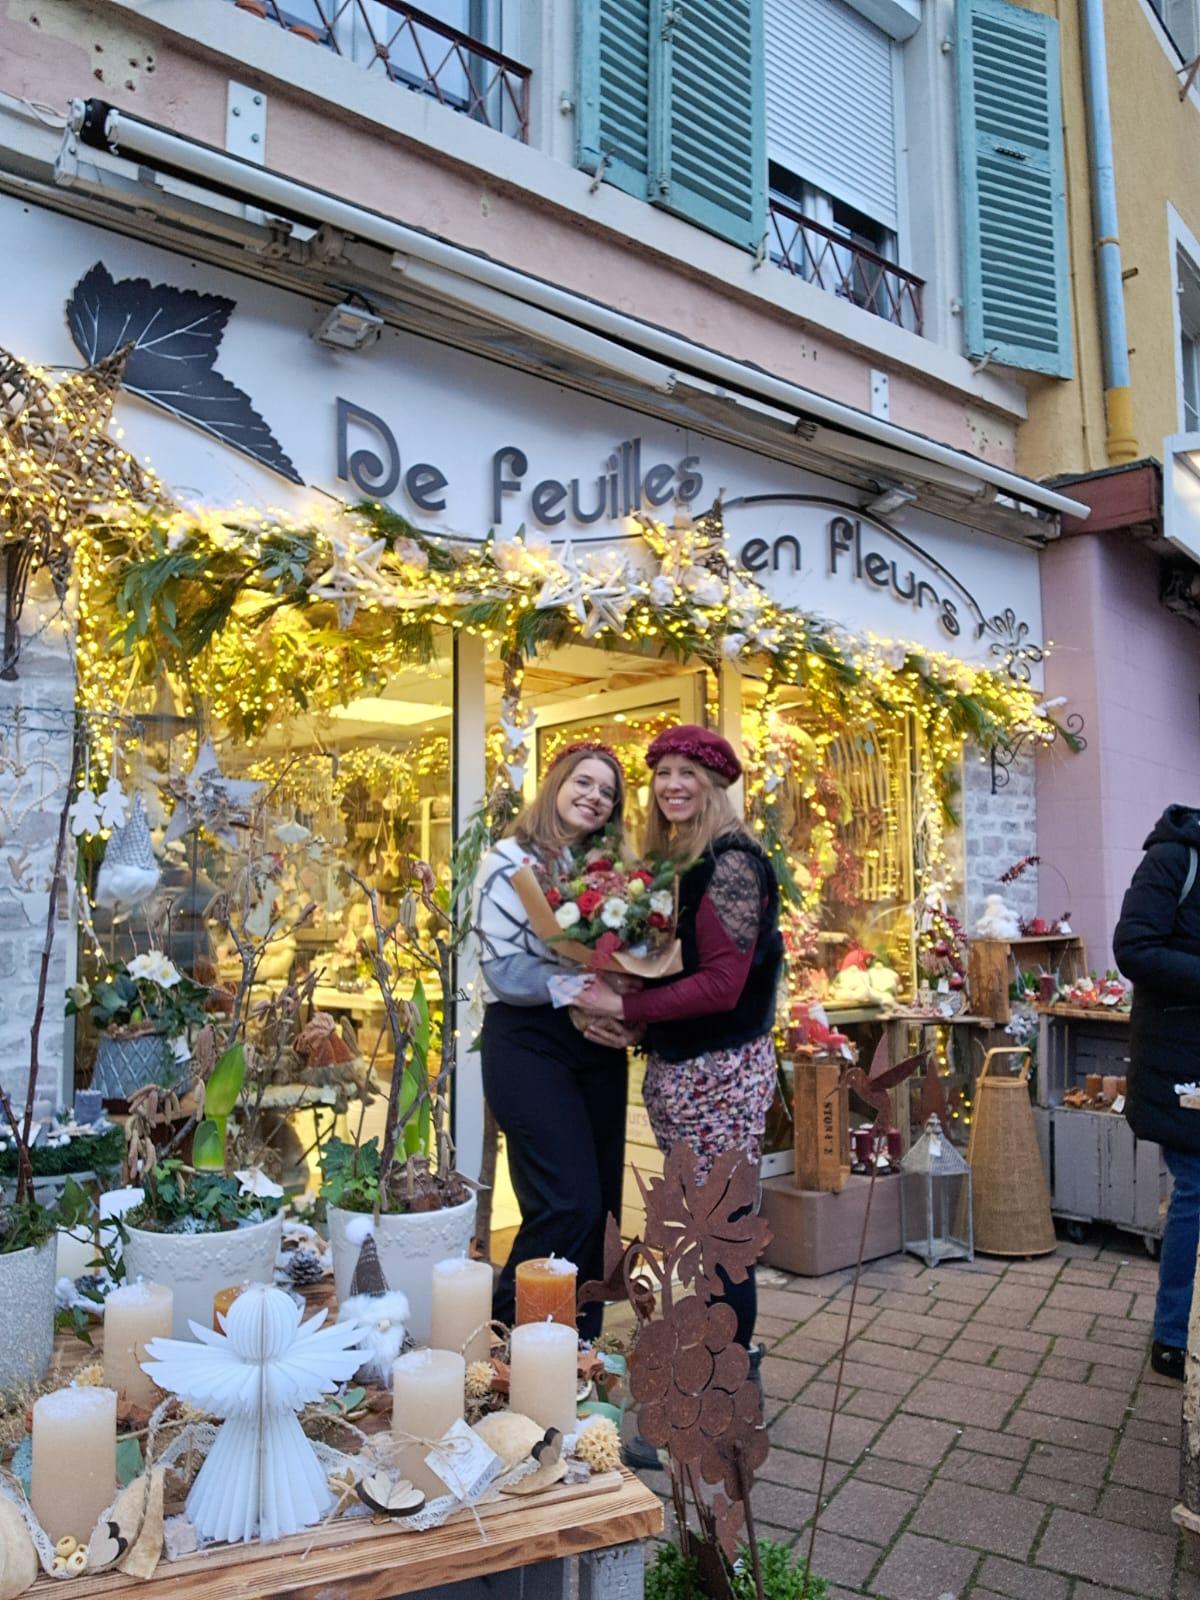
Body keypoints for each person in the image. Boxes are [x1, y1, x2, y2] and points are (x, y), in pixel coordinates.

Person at [577, 724, 783, 1358]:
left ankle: (723, 1396)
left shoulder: (733, 864)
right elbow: (687, 969)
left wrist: (625, 1002)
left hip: (721, 1076)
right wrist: (639, 1019)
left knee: (718, 1235)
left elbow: (722, 985)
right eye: (662, 773)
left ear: (716, 783)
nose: (672, 785)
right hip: (687, 1075)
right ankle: (711, 1384)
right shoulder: (681, 864)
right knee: (700, 1233)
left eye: (686, 773)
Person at [474, 741, 637, 1341]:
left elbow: (635, 955)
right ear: (555, 783)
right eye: (584, 782)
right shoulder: (508, 862)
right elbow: (504, 974)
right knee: (564, 1203)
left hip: (596, 1046)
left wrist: (628, 1006)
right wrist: (584, 988)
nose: (595, 796)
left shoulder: (615, 878)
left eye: (608, 792)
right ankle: (507, 1344)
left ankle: (576, 1349)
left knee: (600, 1214)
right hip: (528, 1042)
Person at [1113, 804, 1200, 1380]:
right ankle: (1172, 1335)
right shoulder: (1174, 859)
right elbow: (1133, 949)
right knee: (1194, 1186)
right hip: (1181, 1057)